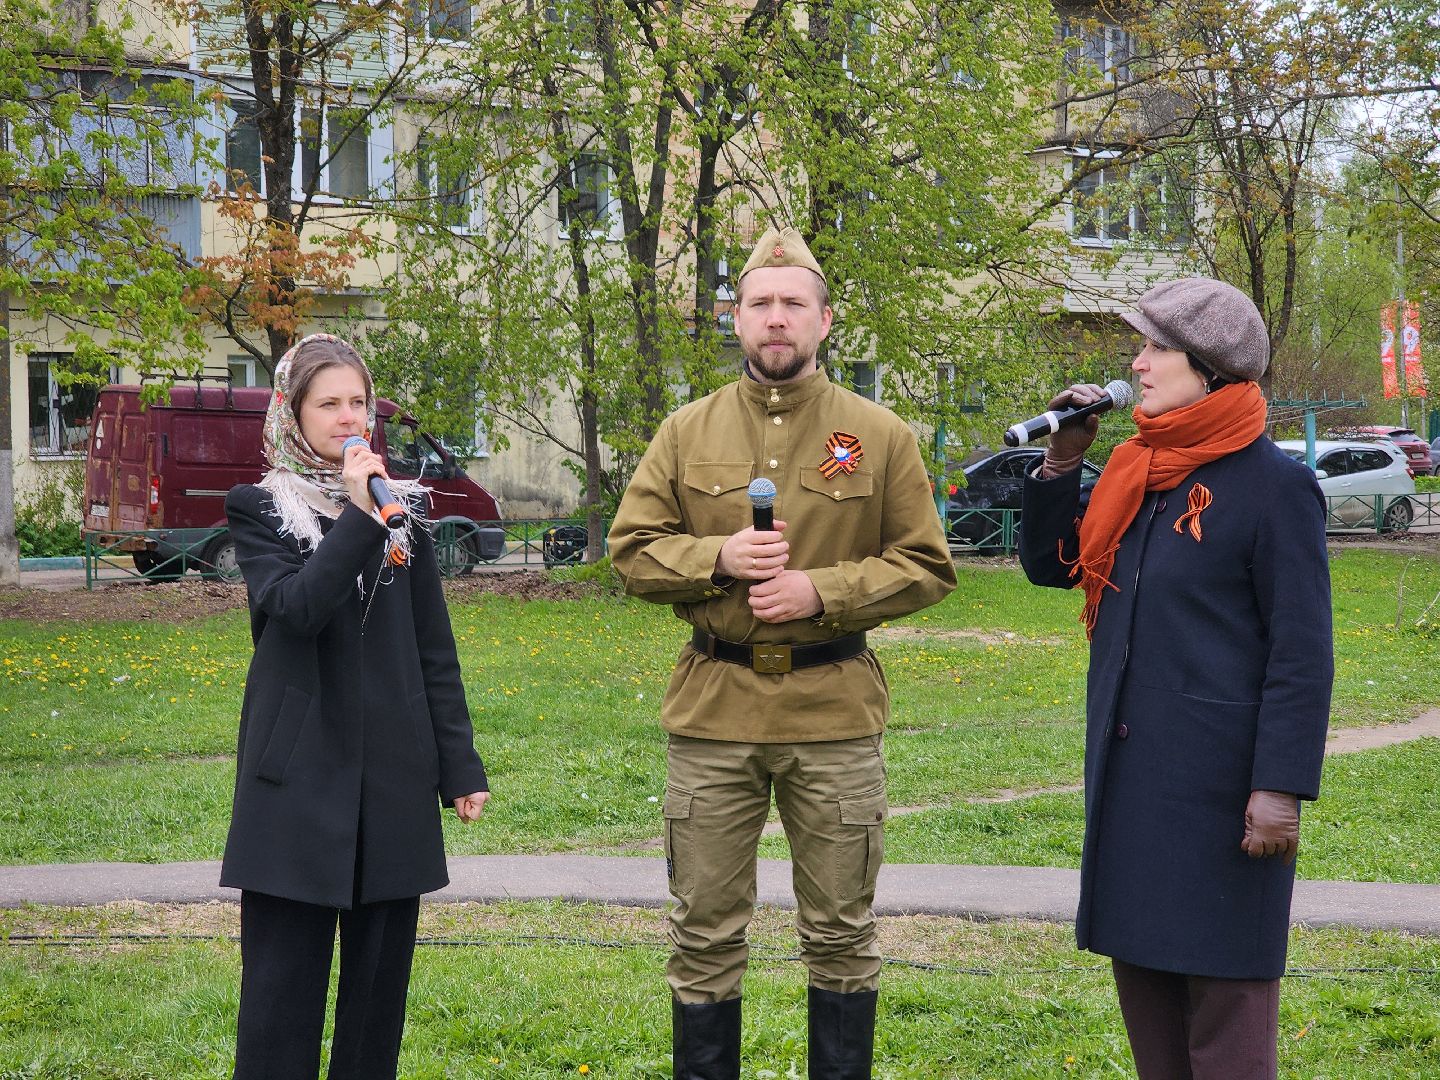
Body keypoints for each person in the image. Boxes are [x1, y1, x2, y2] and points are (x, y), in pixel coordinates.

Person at [608, 226, 957, 1080]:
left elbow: (926, 565)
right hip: (714, 713)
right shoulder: (686, 432)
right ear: (735, 319)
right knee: (703, 935)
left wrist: (822, 592)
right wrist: (716, 558)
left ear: (825, 320)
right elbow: (631, 550)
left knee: (840, 934)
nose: (776, 319)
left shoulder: (878, 434)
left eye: (793, 304)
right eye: (760, 303)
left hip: (832, 711)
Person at [1019, 278, 1333, 1079]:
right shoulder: (1140, 471)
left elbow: (1302, 653)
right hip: (1134, 787)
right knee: (1152, 1020)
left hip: (1225, 798)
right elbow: (1055, 569)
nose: (1139, 362)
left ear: (1213, 371)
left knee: (1226, 1030)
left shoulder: (1275, 487)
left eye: (1157, 347)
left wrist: (1281, 786)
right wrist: (1063, 462)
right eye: (1144, 345)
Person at [221, 334, 490, 1080]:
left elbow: (433, 648)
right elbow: (297, 609)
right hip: (296, 780)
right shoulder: (260, 510)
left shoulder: (406, 511)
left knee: (376, 1003)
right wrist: (361, 518)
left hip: (393, 777)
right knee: (280, 997)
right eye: (328, 404)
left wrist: (459, 766)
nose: (349, 420)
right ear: (293, 414)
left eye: (359, 404)